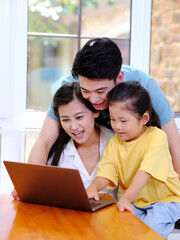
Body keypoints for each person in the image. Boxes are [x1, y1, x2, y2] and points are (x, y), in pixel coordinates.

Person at [28, 37, 180, 178]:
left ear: (119, 78)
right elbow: (44, 141)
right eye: (86, 91)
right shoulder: (72, 88)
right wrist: (30, 185)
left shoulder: (144, 86)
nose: (93, 100)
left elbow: (174, 146)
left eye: (101, 91)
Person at [87, 81, 180, 239]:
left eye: (123, 121)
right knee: (120, 230)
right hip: (135, 202)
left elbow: (145, 172)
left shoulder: (157, 137)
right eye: (113, 119)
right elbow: (107, 172)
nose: (117, 126)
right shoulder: (115, 143)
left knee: (148, 234)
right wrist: (94, 187)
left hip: (165, 200)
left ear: (144, 118)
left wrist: (125, 199)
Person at [12, 82, 115, 200]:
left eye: (79, 117)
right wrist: (26, 190)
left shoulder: (115, 143)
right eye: (65, 120)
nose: (73, 127)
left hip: (112, 216)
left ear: (95, 112)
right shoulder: (56, 153)